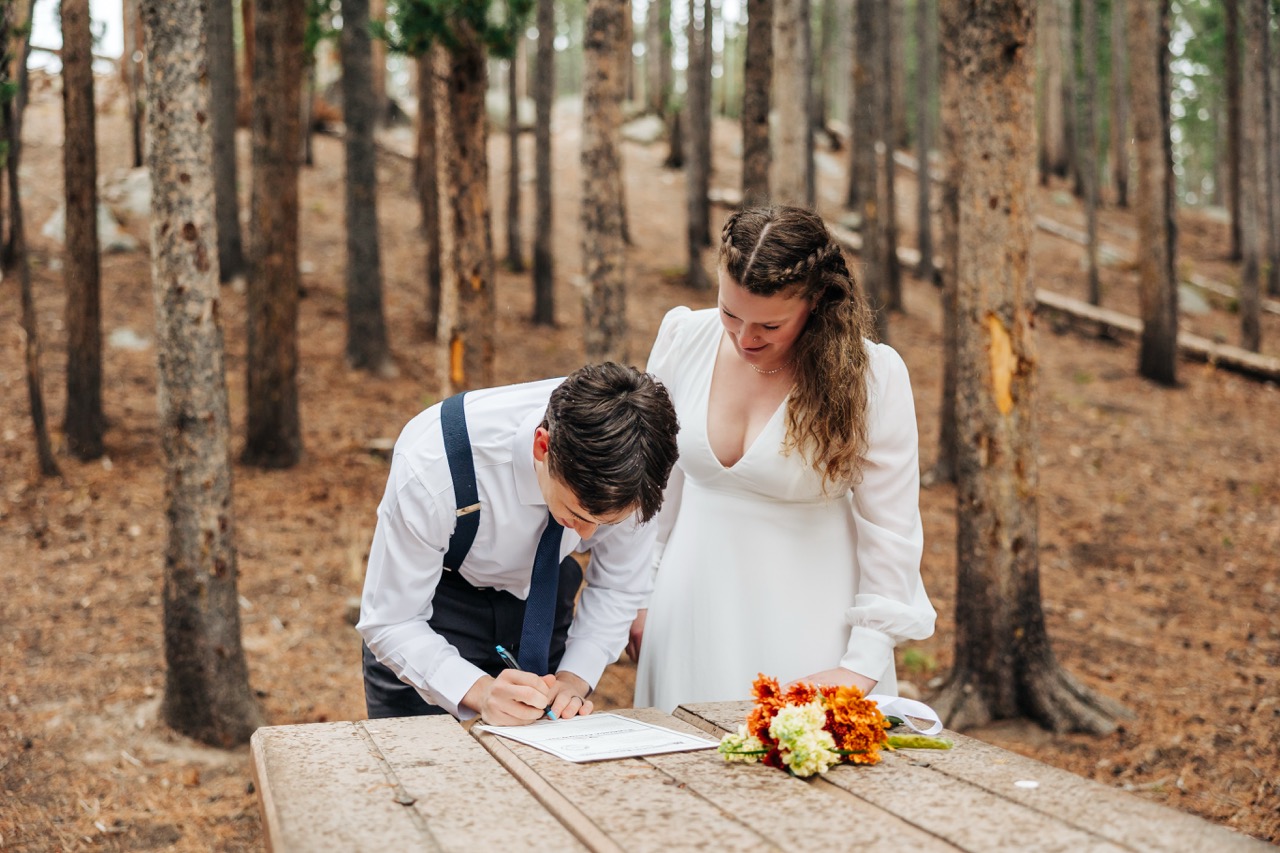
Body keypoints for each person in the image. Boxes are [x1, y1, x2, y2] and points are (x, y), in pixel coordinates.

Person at [631, 205, 936, 712]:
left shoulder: (870, 378)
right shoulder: (684, 337)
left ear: (815, 302)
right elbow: (659, 489)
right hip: (686, 611)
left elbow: (892, 534)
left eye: (770, 324)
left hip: (810, 623)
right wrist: (638, 597)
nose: (745, 338)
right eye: (731, 313)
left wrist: (861, 663)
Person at [359, 363, 680, 725]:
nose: (587, 538)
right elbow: (390, 620)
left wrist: (573, 679)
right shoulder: (433, 465)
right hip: (435, 615)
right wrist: (479, 691)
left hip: (545, 607)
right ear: (542, 447)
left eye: (607, 523)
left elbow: (618, 587)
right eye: (579, 515)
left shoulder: (640, 461)